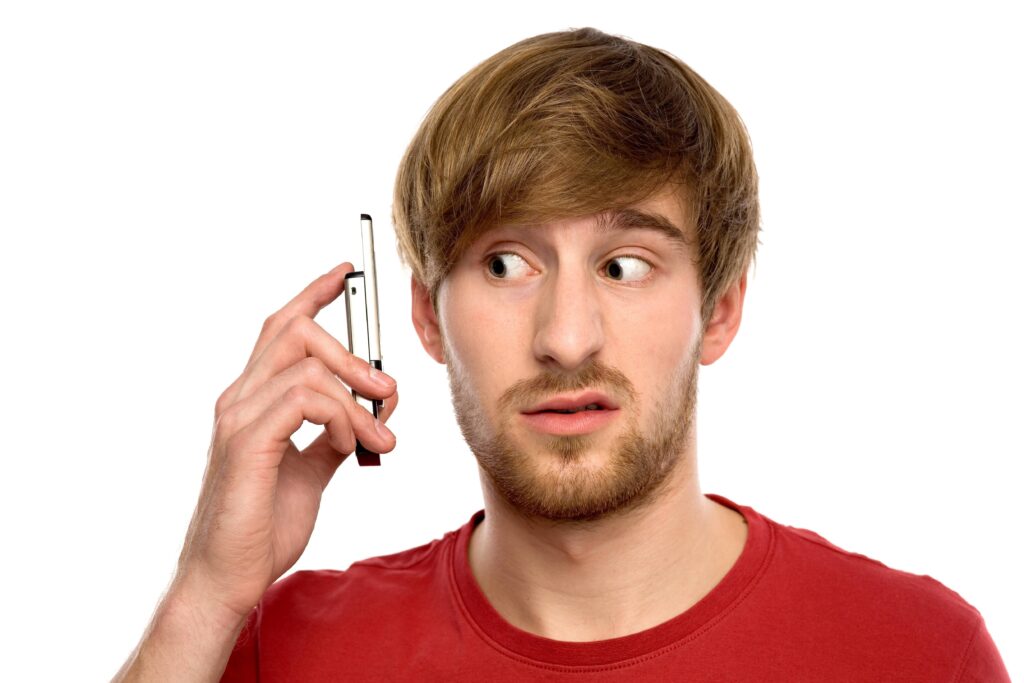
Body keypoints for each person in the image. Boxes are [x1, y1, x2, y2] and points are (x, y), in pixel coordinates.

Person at [114, 27, 1009, 681]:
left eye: (625, 265)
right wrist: (203, 596)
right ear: (426, 316)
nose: (566, 336)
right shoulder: (283, 652)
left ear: (722, 308)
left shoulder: (918, 653)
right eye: (506, 263)